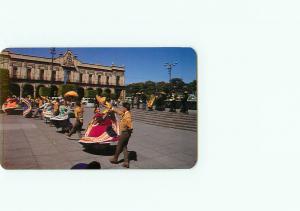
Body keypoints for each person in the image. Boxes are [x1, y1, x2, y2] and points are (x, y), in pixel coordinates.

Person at [109, 102, 133, 168]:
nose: (121, 108)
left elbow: (130, 125)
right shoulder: (125, 113)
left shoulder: (128, 115)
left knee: (119, 146)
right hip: (125, 133)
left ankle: (115, 159)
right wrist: (112, 108)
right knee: (124, 147)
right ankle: (126, 162)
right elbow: (119, 112)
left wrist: (129, 130)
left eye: (122, 107)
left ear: (125, 108)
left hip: (125, 133)